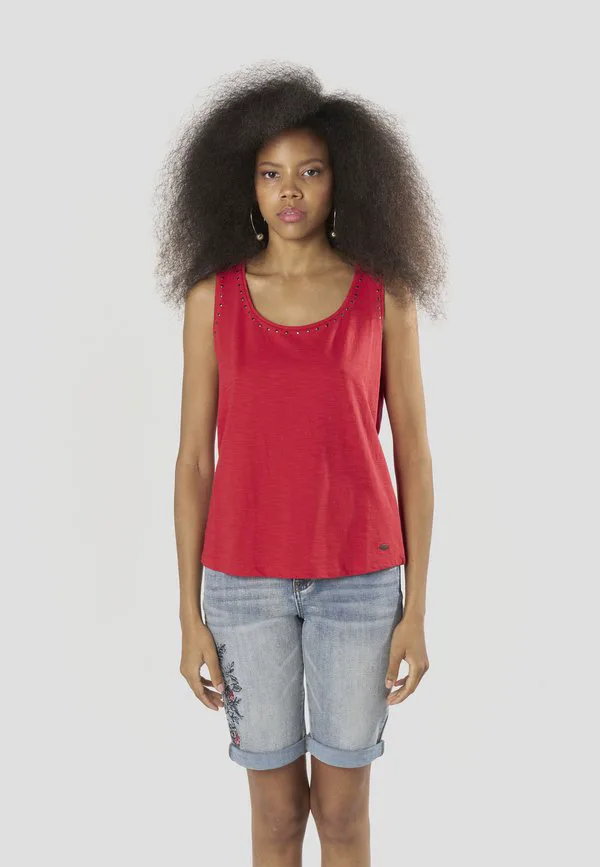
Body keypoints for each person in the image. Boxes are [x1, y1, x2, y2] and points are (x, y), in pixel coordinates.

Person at [154, 61, 446, 867]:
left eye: (310, 172)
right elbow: (193, 460)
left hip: (360, 584)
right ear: (244, 183)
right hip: (242, 589)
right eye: (271, 173)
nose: (290, 191)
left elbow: (414, 453)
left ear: (343, 178)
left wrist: (417, 609)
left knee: (344, 816)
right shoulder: (213, 299)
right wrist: (188, 615)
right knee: (277, 815)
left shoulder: (383, 295)